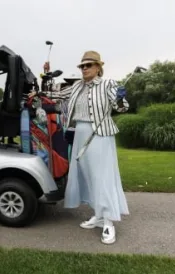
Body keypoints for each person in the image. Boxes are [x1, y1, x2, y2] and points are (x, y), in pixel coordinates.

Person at [63, 50, 130, 244]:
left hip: (100, 135)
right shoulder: (76, 86)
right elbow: (57, 95)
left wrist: (120, 98)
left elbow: (122, 108)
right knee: (88, 176)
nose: (84, 69)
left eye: (88, 65)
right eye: (82, 66)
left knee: (102, 177)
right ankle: (99, 215)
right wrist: (39, 89)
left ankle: (109, 221)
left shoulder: (108, 84)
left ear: (98, 67)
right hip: (80, 133)